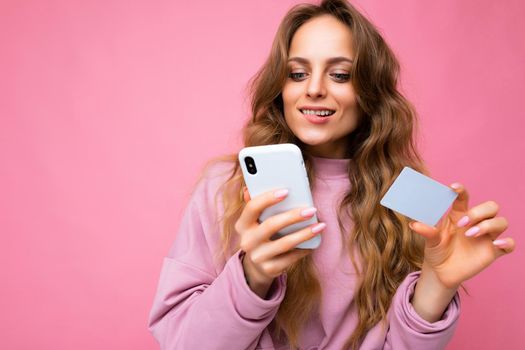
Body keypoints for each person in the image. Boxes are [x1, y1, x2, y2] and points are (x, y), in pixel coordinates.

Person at [147, 0, 516, 349]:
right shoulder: (226, 186)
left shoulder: (414, 195)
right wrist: (252, 275)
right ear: (281, 86)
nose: (314, 89)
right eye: (297, 73)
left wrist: (438, 284)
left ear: (370, 92)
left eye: (340, 74)